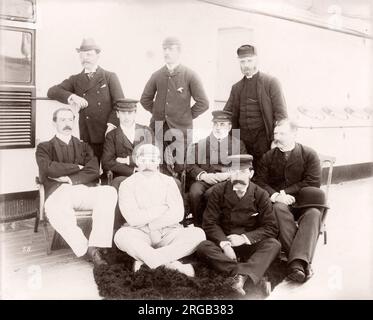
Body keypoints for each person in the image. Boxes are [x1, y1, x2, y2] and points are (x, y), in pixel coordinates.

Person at [35, 107, 117, 266]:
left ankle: (96, 244)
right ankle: (87, 250)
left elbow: (93, 170)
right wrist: (78, 167)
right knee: (55, 208)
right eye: (62, 120)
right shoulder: (44, 147)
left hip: (82, 189)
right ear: (54, 123)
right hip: (59, 192)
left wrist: (70, 178)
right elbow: (48, 168)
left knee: (109, 191)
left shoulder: (84, 147)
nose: (67, 123)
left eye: (70, 120)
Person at [114, 144, 206, 277]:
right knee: (121, 236)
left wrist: (152, 225)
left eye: (152, 160)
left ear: (158, 161)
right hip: (140, 232)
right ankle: (171, 265)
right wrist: (162, 208)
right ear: (137, 161)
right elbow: (132, 218)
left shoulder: (169, 182)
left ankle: (149, 261)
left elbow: (178, 214)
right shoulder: (127, 184)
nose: (147, 165)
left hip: (169, 232)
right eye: (143, 160)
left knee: (198, 234)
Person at [196, 155, 280, 296]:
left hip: (249, 244)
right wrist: (225, 244)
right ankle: (247, 274)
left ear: (251, 174)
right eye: (233, 172)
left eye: (242, 172)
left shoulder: (261, 194)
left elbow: (271, 227)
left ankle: (237, 275)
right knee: (203, 247)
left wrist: (244, 238)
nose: (237, 176)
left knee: (274, 245)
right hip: (225, 243)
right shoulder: (218, 192)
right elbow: (209, 223)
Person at [254, 119, 324, 283]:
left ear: (294, 133)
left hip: (304, 202)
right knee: (278, 208)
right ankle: (299, 264)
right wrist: (277, 196)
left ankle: (295, 262)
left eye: (282, 133)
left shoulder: (309, 154)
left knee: (314, 213)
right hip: (279, 203)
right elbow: (259, 182)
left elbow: (312, 182)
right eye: (276, 133)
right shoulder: (268, 157)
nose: (277, 137)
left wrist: (286, 192)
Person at [47, 38, 125, 162]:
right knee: (91, 170)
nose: (85, 58)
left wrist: (112, 125)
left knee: (109, 169)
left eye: (89, 54)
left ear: (98, 55)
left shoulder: (109, 77)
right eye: (82, 55)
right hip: (88, 134)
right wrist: (72, 97)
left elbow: (120, 104)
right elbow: (52, 91)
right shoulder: (76, 79)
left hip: (108, 132)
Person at [140, 36, 209, 172]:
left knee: (180, 167)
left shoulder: (190, 75)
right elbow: (145, 99)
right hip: (158, 128)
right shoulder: (157, 75)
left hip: (181, 130)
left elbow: (203, 103)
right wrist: (159, 112)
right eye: (164, 49)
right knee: (157, 164)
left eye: (170, 49)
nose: (167, 53)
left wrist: (185, 116)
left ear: (179, 51)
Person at [224, 44, 287, 169]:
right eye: (242, 61)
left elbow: (282, 115)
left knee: (263, 173)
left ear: (256, 60)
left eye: (249, 60)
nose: (246, 65)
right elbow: (226, 114)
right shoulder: (236, 88)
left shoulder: (271, 82)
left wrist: (277, 140)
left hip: (264, 140)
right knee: (243, 174)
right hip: (242, 141)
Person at [186, 110, 247, 226]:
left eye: (222, 124)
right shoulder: (202, 143)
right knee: (195, 192)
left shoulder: (238, 144)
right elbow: (190, 164)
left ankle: (213, 225)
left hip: (226, 181)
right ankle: (199, 225)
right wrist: (203, 175)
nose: (218, 127)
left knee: (211, 194)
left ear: (229, 127)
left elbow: (242, 166)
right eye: (216, 124)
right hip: (205, 179)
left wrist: (226, 175)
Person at [101, 98, 153, 191]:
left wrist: (127, 160)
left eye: (130, 113)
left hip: (146, 174)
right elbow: (107, 162)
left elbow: (154, 156)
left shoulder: (146, 131)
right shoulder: (111, 136)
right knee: (117, 184)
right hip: (124, 177)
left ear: (135, 113)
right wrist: (132, 170)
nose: (126, 117)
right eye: (123, 113)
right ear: (117, 114)